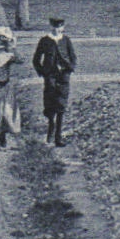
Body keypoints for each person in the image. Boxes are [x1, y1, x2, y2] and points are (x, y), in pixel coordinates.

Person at [32, 15, 78, 146]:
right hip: (50, 76)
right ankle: (50, 134)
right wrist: (42, 72)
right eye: (55, 27)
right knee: (50, 104)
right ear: (51, 26)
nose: (57, 30)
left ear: (63, 28)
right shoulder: (45, 40)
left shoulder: (66, 40)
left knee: (61, 105)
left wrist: (69, 69)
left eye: (60, 27)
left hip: (63, 76)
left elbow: (73, 57)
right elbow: (36, 59)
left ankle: (58, 138)